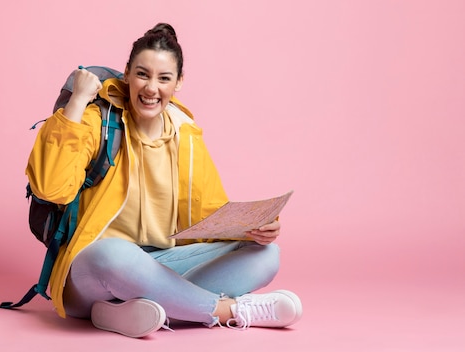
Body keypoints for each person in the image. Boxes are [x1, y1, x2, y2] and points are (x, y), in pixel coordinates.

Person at [26, 23, 302, 338]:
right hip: (93, 270)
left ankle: (123, 312)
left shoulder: (185, 135)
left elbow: (209, 215)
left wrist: (255, 228)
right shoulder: (97, 121)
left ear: (179, 82)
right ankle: (230, 311)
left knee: (266, 255)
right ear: (127, 74)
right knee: (115, 253)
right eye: (142, 74)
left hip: (161, 263)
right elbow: (51, 188)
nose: (151, 88)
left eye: (164, 78)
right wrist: (77, 102)